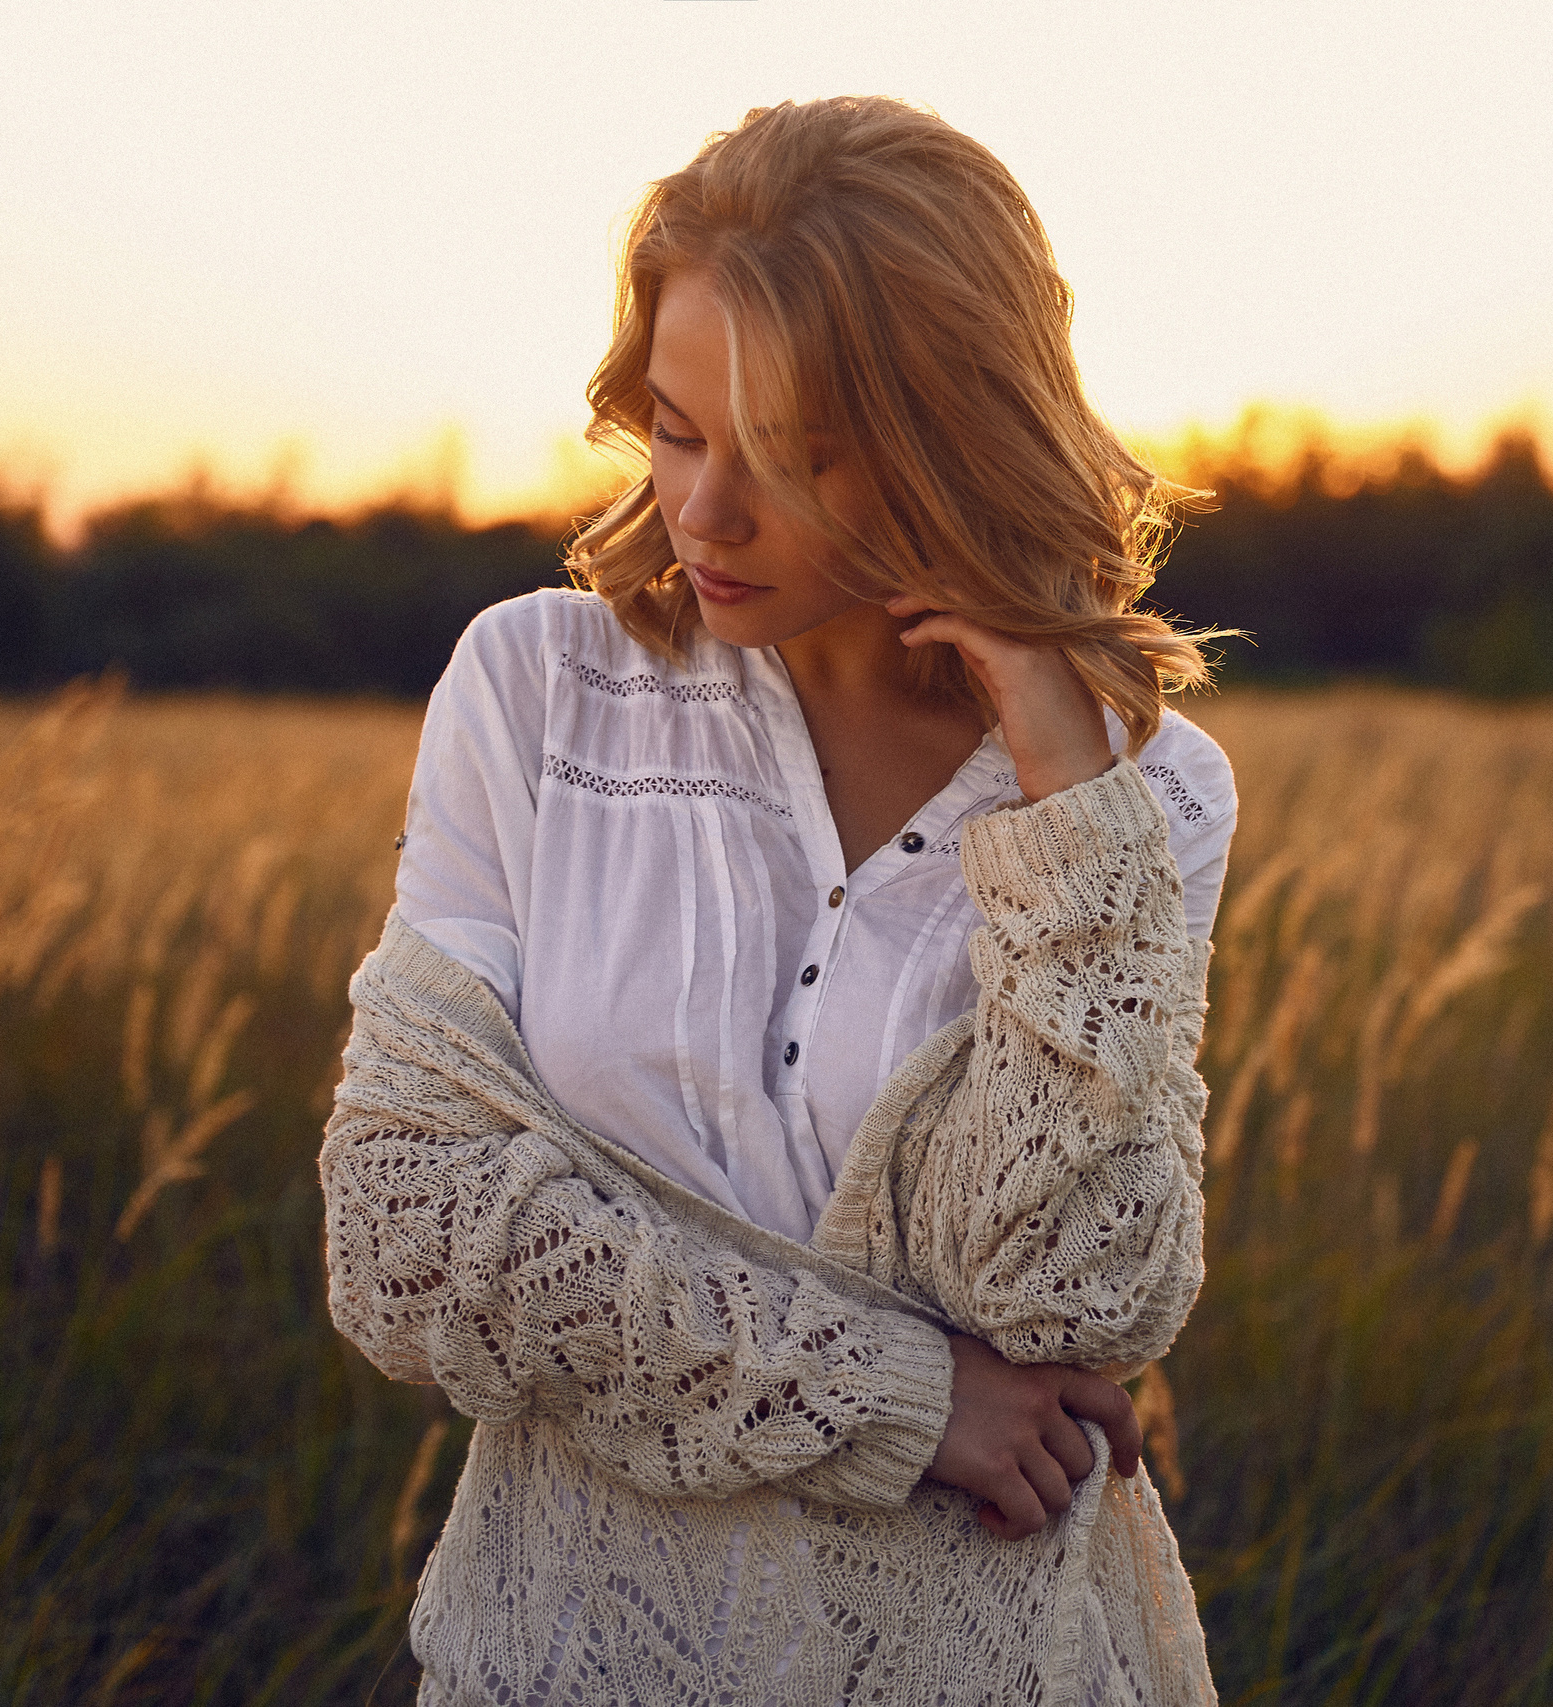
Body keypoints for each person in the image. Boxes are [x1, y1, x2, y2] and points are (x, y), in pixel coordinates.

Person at [320, 95, 1237, 1704]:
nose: (704, 511)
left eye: (798, 455)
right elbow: (404, 1225)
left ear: (955, 435)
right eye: (677, 428)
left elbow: (1075, 1289)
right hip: (576, 1655)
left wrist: (1064, 792)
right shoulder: (538, 692)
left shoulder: (1147, 797)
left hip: (988, 1660)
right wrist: (899, 1395)